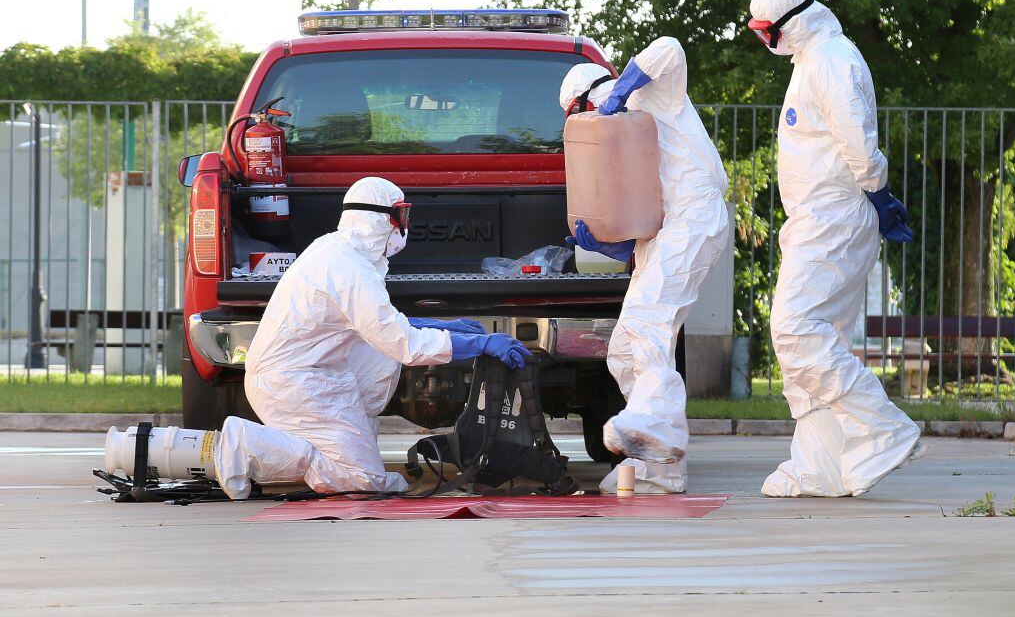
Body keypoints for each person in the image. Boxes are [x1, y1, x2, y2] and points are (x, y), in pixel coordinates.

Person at [213, 176, 531, 499]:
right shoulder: (351, 270)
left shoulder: (335, 249)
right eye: (401, 216)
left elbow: (381, 326)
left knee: (379, 353)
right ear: (379, 219)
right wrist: (481, 344)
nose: (404, 226)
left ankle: (350, 434)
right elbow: (405, 344)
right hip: (291, 384)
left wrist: (449, 327)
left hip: (301, 372)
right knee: (363, 480)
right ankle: (245, 443)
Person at [748, 0, 923, 497]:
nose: (764, 42)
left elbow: (857, 141)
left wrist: (875, 192)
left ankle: (885, 426)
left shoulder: (831, 60)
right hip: (817, 220)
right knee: (817, 339)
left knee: (796, 330)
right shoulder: (812, 58)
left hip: (835, 218)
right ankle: (819, 465)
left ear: (789, 23)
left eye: (765, 31)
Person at [560, 37, 730, 493]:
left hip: (693, 217)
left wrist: (620, 92)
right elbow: (644, 218)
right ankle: (658, 465)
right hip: (665, 233)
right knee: (622, 348)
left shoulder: (649, 94)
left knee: (647, 323)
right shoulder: (620, 137)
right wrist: (614, 246)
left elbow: (671, 48)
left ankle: (655, 428)